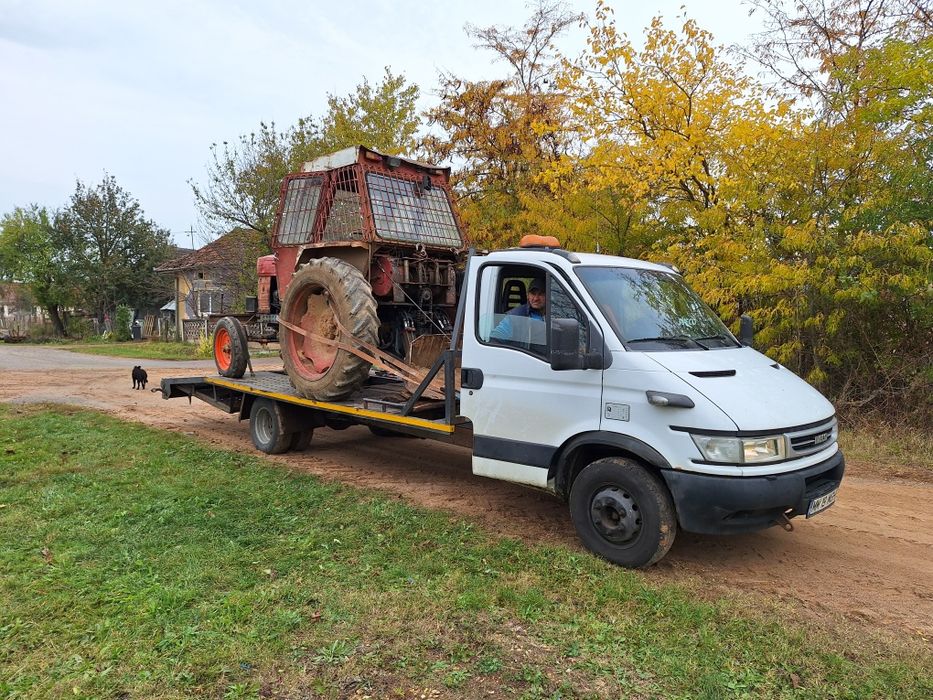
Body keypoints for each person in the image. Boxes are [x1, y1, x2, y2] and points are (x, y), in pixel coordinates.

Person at [490, 276, 547, 348]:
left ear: (548, 295)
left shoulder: (556, 313)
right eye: (533, 294)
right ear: (528, 295)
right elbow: (494, 340)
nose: (536, 298)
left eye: (541, 294)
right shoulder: (515, 316)